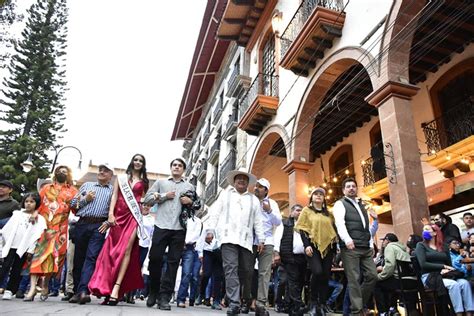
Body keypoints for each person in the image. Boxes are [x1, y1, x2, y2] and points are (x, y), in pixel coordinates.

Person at [88, 154, 150, 305]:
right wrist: (110, 214)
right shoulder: (121, 178)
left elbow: (143, 200)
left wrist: (145, 208)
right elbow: (115, 195)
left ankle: (117, 288)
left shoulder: (144, 182)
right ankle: (107, 286)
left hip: (133, 217)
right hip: (118, 216)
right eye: (136, 160)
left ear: (143, 164)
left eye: (140, 161)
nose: (137, 162)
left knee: (127, 250)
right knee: (112, 251)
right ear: (132, 162)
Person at [206, 168, 265, 316]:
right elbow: (215, 213)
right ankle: (234, 303)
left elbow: (258, 221)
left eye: (244, 179)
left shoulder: (253, 200)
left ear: (247, 183)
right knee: (230, 268)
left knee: (247, 271)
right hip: (227, 237)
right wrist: (210, 230)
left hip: (246, 240)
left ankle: (245, 298)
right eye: (239, 178)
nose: (241, 180)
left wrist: (261, 239)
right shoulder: (225, 195)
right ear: (234, 180)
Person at [143, 158, 199, 310]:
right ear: (171, 168)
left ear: (183, 170)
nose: (177, 167)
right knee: (154, 259)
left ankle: (164, 297)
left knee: (173, 264)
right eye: (174, 165)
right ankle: (153, 291)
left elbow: (197, 205)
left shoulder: (189, 186)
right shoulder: (161, 183)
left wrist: (189, 202)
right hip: (161, 226)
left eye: (180, 166)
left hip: (179, 230)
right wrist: (163, 196)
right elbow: (147, 200)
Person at [28, 165, 78, 301]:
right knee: (38, 256)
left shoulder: (73, 191)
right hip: (43, 228)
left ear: (68, 175)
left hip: (60, 229)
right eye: (59, 171)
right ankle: (32, 289)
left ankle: (45, 284)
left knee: (54, 258)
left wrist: (83, 202)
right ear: (55, 173)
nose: (62, 173)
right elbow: (37, 204)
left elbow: (76, 210)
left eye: (65, 171)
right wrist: (34, 213)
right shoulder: (46, 188)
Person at [67, 163, 114, 304]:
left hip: (99, 226)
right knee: (78, 258)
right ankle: (76, 291)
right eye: (101, 169)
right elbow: (73, 205)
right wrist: (84, 200)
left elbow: (114, 211)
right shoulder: (87, 185)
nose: (102, 172)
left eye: (106, 170)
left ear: (111, 175)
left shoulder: (112, 191)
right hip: (82, 224)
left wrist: (107, 223)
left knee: (91, 257)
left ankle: (83, 291)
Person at [333, 177, 378, 315]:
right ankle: (357, 311)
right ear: (343, 190)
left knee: (372, 276)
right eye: (348, 186)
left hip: (365, 246)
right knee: (354, 279)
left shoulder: (361, 205)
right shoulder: (340, 204)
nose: (351, 188)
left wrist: (370, 243)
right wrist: (347, 240)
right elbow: (339, 223)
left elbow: (365, 227)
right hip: (350, 247)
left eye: (353, 186)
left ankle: (357, 305)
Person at [240, 178, 281, 316]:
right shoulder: (249, 200)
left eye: (260, 186)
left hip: (267, 241)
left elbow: (278, 221)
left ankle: (260, 304)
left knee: (264, 273)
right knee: (247, 272)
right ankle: (246, 301)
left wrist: (269, 211)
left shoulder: (272, 203)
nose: (256, 188)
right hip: (250, 242)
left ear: (266, 190)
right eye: (256, 185)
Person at [295, 187, 337, 316]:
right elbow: (303, 229)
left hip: (328, 248)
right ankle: (313, 302)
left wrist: (335, 250)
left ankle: (322, 303)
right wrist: (306, 245)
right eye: (316, 194)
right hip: (312, 246)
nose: (318, 196)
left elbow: (333, 231)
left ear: (324, 198)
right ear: (311, 197)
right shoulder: (306, 211)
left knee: (325, 275)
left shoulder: (329, 214)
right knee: (317, 272)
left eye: (321, 194)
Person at [415, 224, 474, 316]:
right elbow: (423, 264)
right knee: (453, 285)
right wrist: (443, 267)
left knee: (464, 283)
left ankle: (470, 313)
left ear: (435, 232)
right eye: (423, 230)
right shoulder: (421, 245)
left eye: (427, 229)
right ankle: (458, 313)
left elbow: (449, 264)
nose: (424, 232)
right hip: (429, 276)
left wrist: (448, 270)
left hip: (446, 274)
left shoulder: (444, 247)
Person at [0, 193, 46, 300]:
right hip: (11, 245)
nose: (28, 204)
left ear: (36, 203)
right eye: (26, 201)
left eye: (32, 202)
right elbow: (7, 230)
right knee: (5, 266)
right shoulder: (17, 214)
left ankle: (10, 290)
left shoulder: (39, 218)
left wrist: (31, 249)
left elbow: (36, 235)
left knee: (17, 268)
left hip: (24, 247)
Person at [274, 204, 306, 316]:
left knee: (300, 281)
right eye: (297, 210)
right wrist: (276, 253)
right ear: (291, 212)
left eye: (301, 211)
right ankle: (298, 304)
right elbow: (277, 238)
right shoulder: (284, 223)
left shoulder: (305, 225)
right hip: (289, 256)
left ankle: (291, 306)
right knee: (292, 281)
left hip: (303, 257)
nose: (299, 212)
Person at [373, 233, 412, 316]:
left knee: (376, 283)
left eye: (384, 240)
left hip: (400, 282)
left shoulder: (389, 247)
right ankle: (392, 308)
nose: (382, 242)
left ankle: (383, 312)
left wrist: (378, 277)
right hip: (411, 281)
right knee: (388, 282)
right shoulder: (402, 248)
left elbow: (390, 267)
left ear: (388, 240)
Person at [196, 221, 224, 310]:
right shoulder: (209, 224)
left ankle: (216, 300)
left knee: (218, 277)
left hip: (219, 252)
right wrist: (200, 253)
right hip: (207, 251)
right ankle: (201, 294)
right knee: (206, 274)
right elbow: (202, 238)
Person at [176, 215, 203, 308]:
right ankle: (164, 296)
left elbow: (196, 235)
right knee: (170, 271)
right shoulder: (177, 216)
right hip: (175, 245)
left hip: (189, 247)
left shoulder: (197, 221)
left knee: (187, 273)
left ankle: (181, 298)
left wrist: (185, 241)